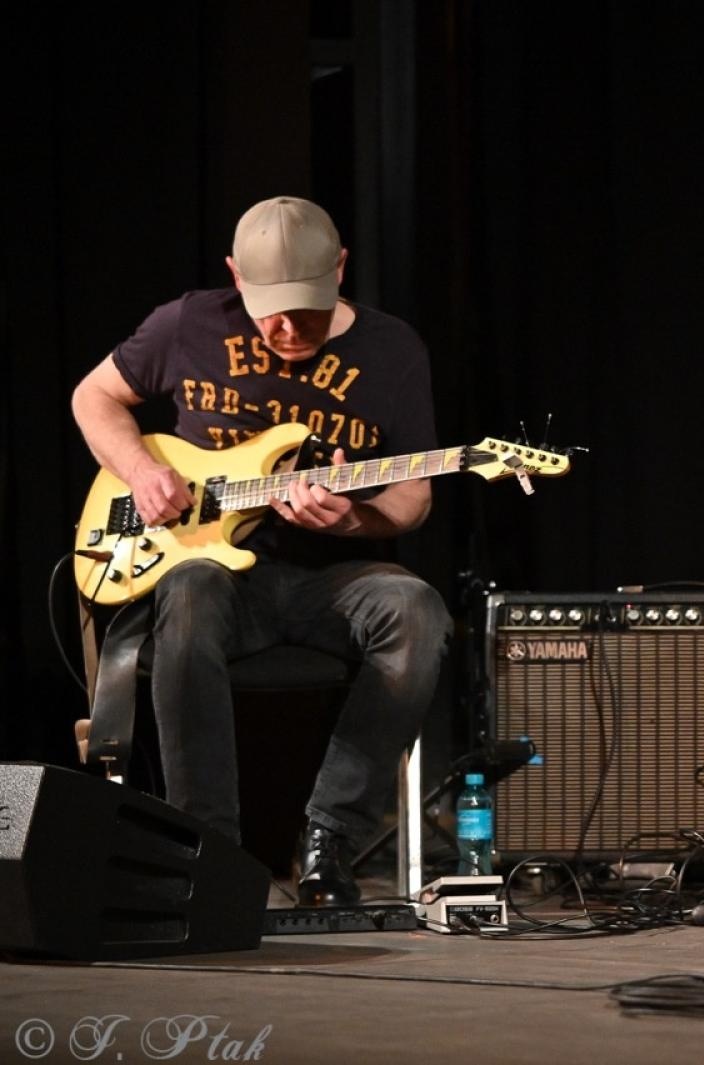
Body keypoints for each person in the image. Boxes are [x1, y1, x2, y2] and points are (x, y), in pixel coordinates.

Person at [71, 196, 451, 907]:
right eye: (267, 308)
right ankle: (207, 851)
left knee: (416, 609)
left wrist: (349, 521)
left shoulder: (393, 351)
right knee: (187, 588)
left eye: (304, 308)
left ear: (339, 269)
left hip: (330, 581)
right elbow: (93, 398)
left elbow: (413, 499)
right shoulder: (187, 323)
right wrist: (144, 471)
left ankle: (329, 839)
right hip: (214, 575)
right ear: (233, 277)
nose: (284, 327)